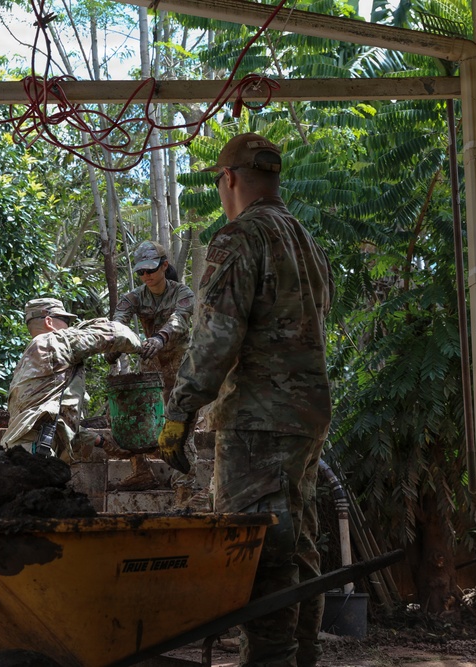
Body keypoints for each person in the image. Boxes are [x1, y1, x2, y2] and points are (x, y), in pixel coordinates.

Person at [156, 133, 334, 667]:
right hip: (306, 417)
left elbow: (215, 339)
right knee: (298, 546)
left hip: (258, 420)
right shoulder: (306, 242)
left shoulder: (238, 239)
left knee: (258, 554)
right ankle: (302, 659)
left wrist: (180, 409)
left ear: (229, 178)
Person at [111, 241, 200, 503]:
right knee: (131, 416)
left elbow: (179, 319)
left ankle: (184, 489)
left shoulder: (182, 293)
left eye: (151, 270)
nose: (146, 276)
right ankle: (141, 471)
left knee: (182, 426)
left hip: (181, 369)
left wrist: (161, 338)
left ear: (164, 266)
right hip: (149, 371)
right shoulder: (134, 297)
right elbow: (119, 321)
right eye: (141, 272)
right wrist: (115, 343)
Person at [2, 297, 141, 462]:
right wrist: (145, 346)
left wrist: (101, 441)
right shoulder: (52, 342)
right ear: (49, 321)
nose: (68, 326)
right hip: (34, 455)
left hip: (23, 451)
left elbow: (55, 422)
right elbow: (118, 333)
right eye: (65, 320)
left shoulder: (28, 362)